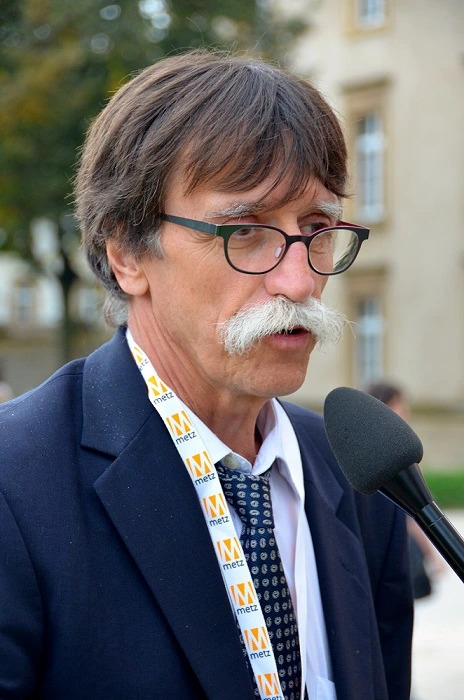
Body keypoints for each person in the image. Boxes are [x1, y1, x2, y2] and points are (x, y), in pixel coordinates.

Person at [0, 51, 413, 699]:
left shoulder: (365, 480)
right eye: (243, 231)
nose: (299, 280)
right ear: (126, 253)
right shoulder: (16, 485)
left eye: (317, 227)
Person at [366, 381, 445, 599]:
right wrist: (433, 554)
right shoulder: (393, 451)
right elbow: (415, 511)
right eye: (399, 403)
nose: (405, 410)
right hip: (390, 546)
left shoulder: (369, 448)